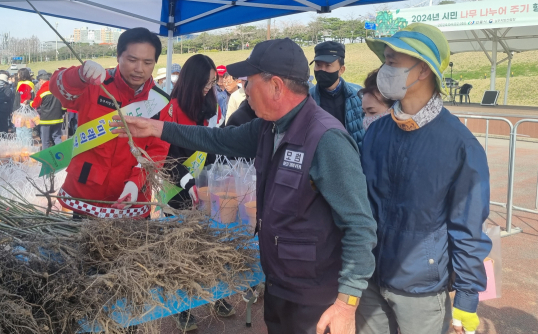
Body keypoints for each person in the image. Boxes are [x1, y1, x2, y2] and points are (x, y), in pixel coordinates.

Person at [110, 38, 378, 334]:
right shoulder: (268, 125)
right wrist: (155, 127)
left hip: (315, 294)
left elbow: (359, 225)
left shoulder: (326, 139)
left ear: (276, 86)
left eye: (248, 81)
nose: (242, 89)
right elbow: (216, 139)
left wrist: (346, 303)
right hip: (279, 282)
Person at [357, 23, 492, 334]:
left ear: (423, 70)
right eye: (384, 60)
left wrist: (467, 299)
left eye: (392, 61)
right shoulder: (377, 131)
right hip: (370, 281)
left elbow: (468, 227)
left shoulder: (460, 145)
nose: (384, 69)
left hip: (421, 289)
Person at [49, 27, 170, 219]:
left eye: (148, 62)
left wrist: (135, 182)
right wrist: (80, 75)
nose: (139, 69)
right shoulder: (96, 83)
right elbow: (57, 86)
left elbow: (158, 150)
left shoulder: (160, 102)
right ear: (118, 56)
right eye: (132, 60)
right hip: (87, 194)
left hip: (133, 199)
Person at [158, 54, 229, 332]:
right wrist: (187, 182)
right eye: (205, 82)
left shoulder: (210, 107)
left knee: (208, 245)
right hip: (175, 191)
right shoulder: (171, 109)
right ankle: (181, 306)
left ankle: (215, 295)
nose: (209, 87)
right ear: (192, 80)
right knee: (179, 249)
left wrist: (216, 176)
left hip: (204, 188)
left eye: (212, 83)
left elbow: (213, 144)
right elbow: (165, 156)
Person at [309, 41, 365, 150]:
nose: (322, 70)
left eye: (328, 65)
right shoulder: (308, 99)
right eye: (318, 65)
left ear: (341, 70)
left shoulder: (359, 95)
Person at [31, 73, 65, 150]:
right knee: (57, 138)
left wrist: (29, 102)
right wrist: (62, 112)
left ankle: (46, 160)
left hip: (45, 120)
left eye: (40, 81)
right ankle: (61, 156)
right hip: (58, 118)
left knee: (45, 141)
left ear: (42, 81)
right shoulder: (59, 89)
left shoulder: (42, 90)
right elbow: (64, 105)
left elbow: (35, 104)